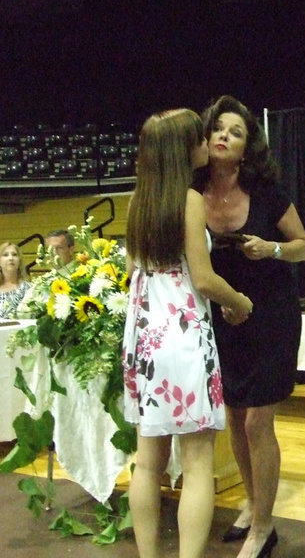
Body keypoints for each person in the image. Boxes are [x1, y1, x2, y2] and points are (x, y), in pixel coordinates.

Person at [122, 109, 253, 558]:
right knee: (197, 464)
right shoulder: (190, 200)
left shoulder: (137, 201)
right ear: (183, 149)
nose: (206, 142)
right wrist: (239, 301)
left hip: (143, 338)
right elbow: (203, 278)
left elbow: (133, 271)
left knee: (147, 463)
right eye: (200, 137)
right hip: (181, 336)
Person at [193, 95, 305, 558]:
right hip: (223, 315)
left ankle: (264, 526)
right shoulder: (191, 192)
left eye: (236, 132)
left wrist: (272, 249)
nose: (224, 136)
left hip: (271, 314)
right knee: (235, 417)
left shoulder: (266, 192)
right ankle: (251, 501)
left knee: (259, 420)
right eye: (218, 128)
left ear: (247, 149)